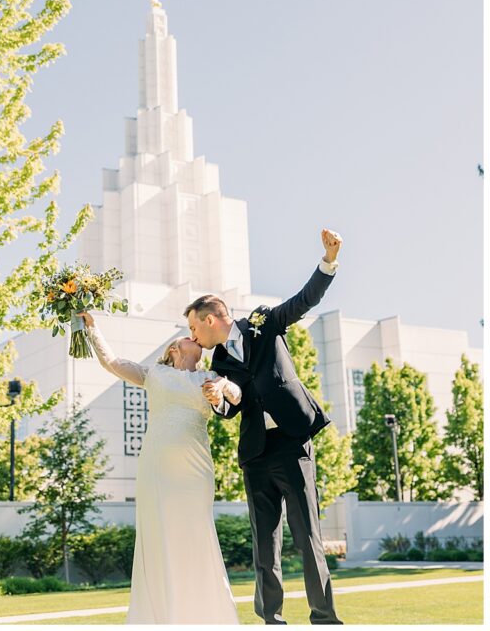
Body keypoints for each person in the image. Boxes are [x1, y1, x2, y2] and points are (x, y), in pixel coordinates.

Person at [189, 228, 344, 625]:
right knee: (264, 543)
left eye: (194, 327)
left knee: (308, 536)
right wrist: (220, 396)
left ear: (211, 319)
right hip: (256, 455)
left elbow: (301, 303)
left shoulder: (261, 322)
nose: (193, 336)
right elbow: (233, 399)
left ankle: (324, 616)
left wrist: (327, 261)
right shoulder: (219, 363)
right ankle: (270, 618)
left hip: (292, 443)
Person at [81, 312, 240, 624]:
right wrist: (92, 328)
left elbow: (235, 396)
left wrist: (224, 389)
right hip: (156, 473)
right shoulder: (153, 373)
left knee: (196, 536)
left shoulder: (208, 377)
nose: (193, 336)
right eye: (187, 335)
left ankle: (205, 617)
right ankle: (164, 618)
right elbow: (112, 362)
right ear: (173, 350)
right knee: (159, 539)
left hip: (194, 474)